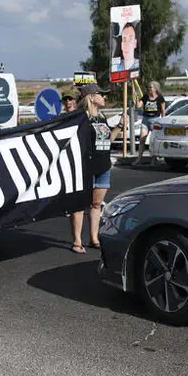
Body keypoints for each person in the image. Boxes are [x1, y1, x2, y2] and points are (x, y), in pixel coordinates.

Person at [69, 83, 127, 254]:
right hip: (86, 167)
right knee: (80, 204)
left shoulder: (101, 117)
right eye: (101, 94)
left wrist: (119, 127)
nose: (104, 97)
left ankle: (94, 238)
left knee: (96, 205)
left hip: (103, 166)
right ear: (91, 97)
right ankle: (77, 241)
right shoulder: (80, 117)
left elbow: (107, 141)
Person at [133, 81, 165, 166]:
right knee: (142, 139)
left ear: (155, 88)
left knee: (153, 141)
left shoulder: (160, 98)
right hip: (145, 120)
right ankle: (139, 159)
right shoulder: (145, 97)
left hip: (155, 120)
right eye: (148, 87)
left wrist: (163, 121)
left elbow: (163, 110)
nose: (149, 89)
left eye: (151, 87)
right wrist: (136, 98)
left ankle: (154, 159)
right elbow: (138, 106)